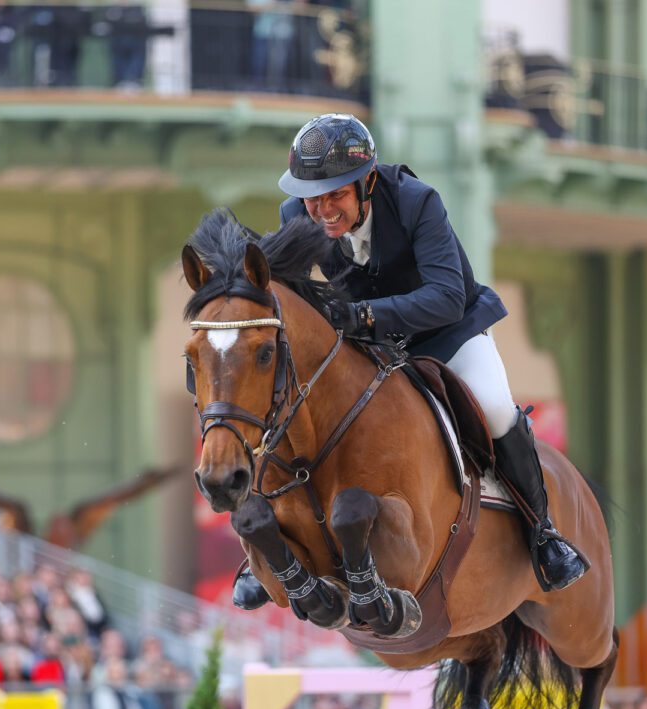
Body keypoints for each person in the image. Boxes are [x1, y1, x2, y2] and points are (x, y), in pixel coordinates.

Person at [231, 113, 589, 611]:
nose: (323, 211)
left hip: (445, 333)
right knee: (292, 404)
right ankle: (260, 552)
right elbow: (271, 288)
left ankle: (543, 533)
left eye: (335, 195)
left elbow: (446, 296)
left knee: (495, 408)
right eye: (313, 197)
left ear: (368, 181)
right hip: (367, 346)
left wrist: (363, 315)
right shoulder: (298, 214)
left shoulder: (418, 203)